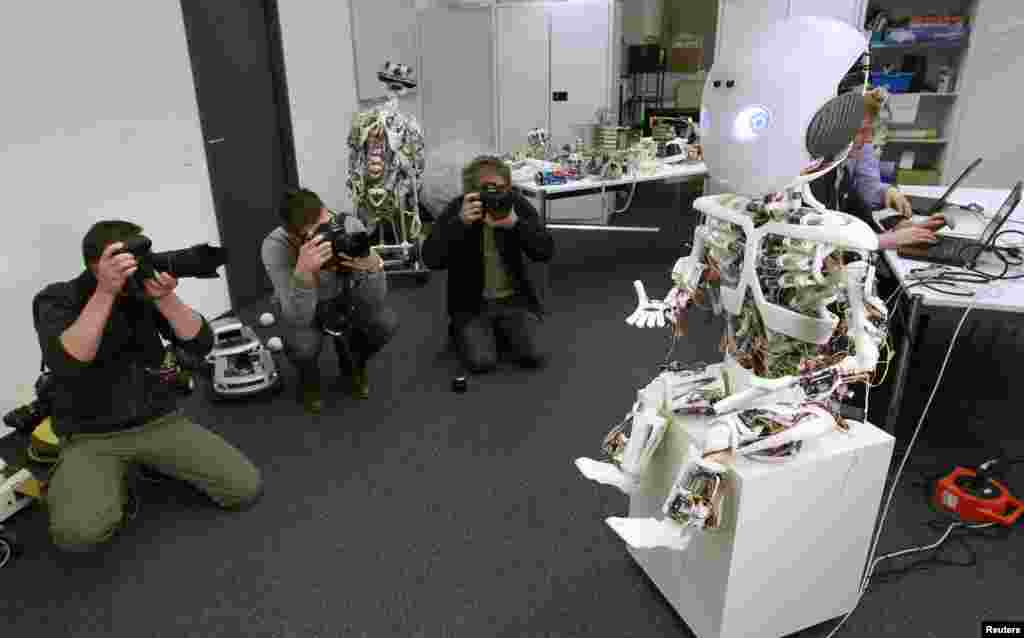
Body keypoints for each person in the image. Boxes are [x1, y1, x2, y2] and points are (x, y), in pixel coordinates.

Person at [32, 221, 263, 553]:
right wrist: (105, 292)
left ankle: (145, 465)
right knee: (76, 535)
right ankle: (102, 479)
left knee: (243, 488)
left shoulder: (139, 292)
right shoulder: (58, 298)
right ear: (97, 263)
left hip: (157, 420)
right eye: (122, 259)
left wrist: (166, 298)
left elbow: (199, 344)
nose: (135, 266)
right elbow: (69, 361)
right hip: (91, 435)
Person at [262, 188, 398, 413]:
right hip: (306, 309)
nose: (331, 233)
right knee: (302, 346)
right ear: (295, 237)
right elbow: (298, 318)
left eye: (330, 222)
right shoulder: (276, 246)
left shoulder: (348, 227)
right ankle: (309, 378)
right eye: (319, 232)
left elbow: (374, 302)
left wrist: (374, 269)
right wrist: (304, 274)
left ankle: (352, 363)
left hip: (344, 298)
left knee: (385, 322)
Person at [422, 155, 554, 373]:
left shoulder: (515, 204)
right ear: (471, 190)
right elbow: (431, 259)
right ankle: (467, 330)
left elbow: (545, 251)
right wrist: (460, 224)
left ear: (509, 187)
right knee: (483, 362)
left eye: (500, 188)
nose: (494, 195)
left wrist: (516, 225)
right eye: (486, 188)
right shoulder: (459, 208)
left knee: (534, 355)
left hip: (514, 301)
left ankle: (499, 328)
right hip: (472, 305)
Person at [810, 87, 946, 248]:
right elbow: (819, 235)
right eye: (862, 131)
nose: (868, 140)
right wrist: (888, 240)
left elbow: (858, 210)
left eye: (870, 131)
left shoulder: (840, 169)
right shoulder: (814, 176)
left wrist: (897, 225)